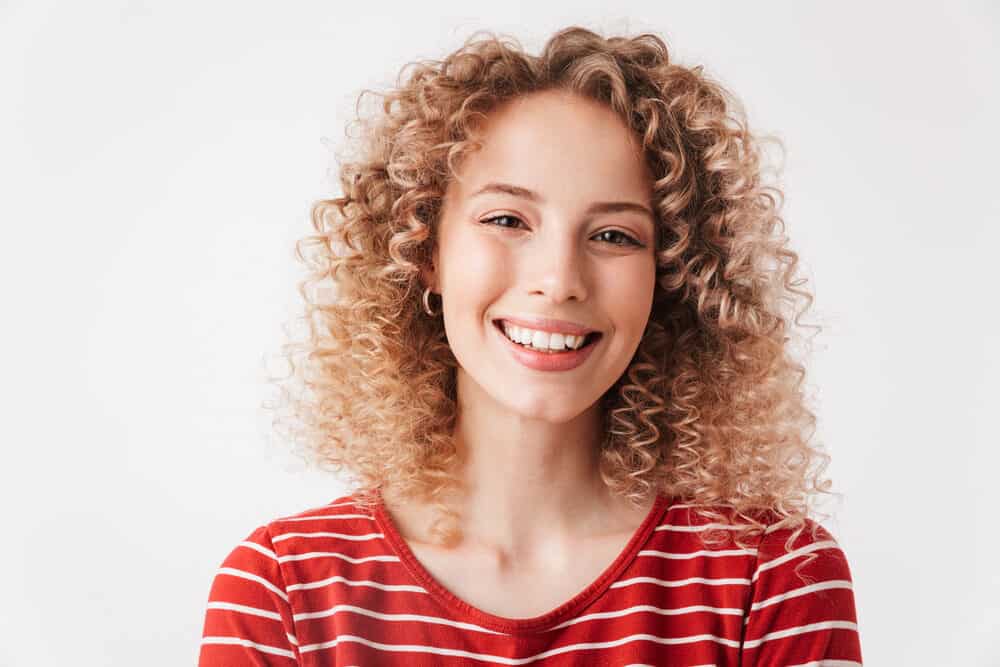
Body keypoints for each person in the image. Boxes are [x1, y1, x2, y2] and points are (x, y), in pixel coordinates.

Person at [198, 25, 863, 665]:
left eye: (613, 235)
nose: (559, 281)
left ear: (669, 273)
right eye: (508, 219)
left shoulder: (774, 576)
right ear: (426, 249)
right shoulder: (284, 593)